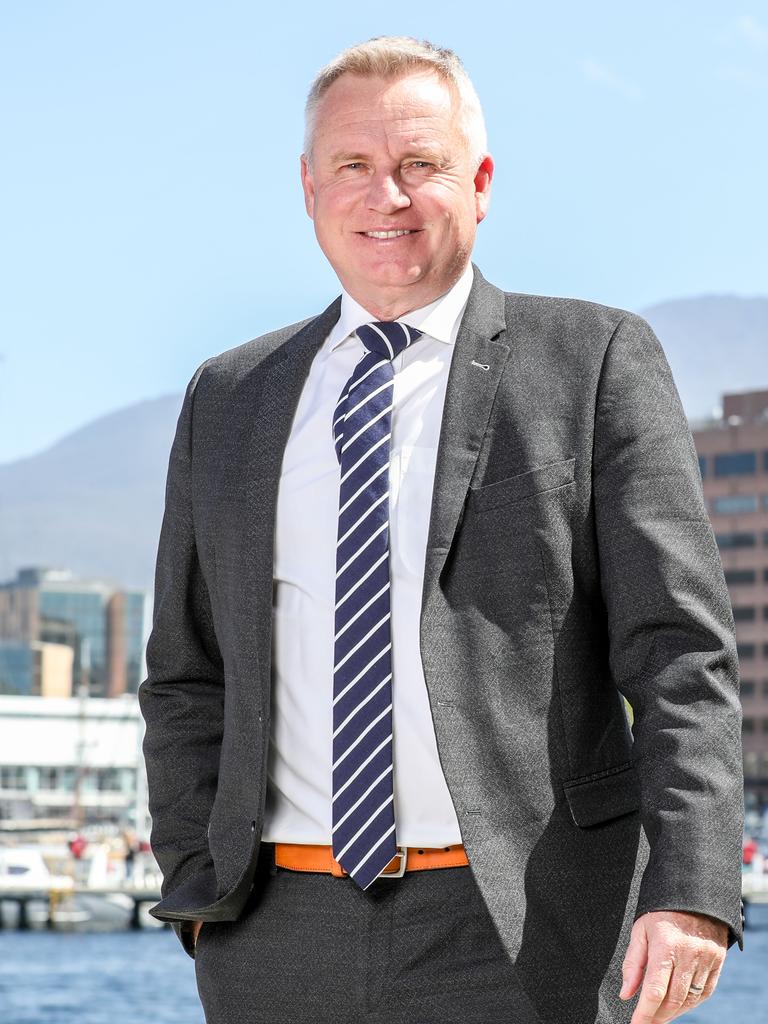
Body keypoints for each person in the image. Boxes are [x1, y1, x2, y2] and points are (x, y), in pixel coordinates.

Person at [138, 35, 745, 1024]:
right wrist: (200, 882)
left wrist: (692, 886)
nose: (388, 196)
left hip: (522, 926)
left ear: (481, 181)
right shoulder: (230, 397)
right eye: (355, 167)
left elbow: (679, 651)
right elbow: (186, 674)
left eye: (421, 165)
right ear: (308, 187)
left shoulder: (591, 359)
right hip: (275, 934)